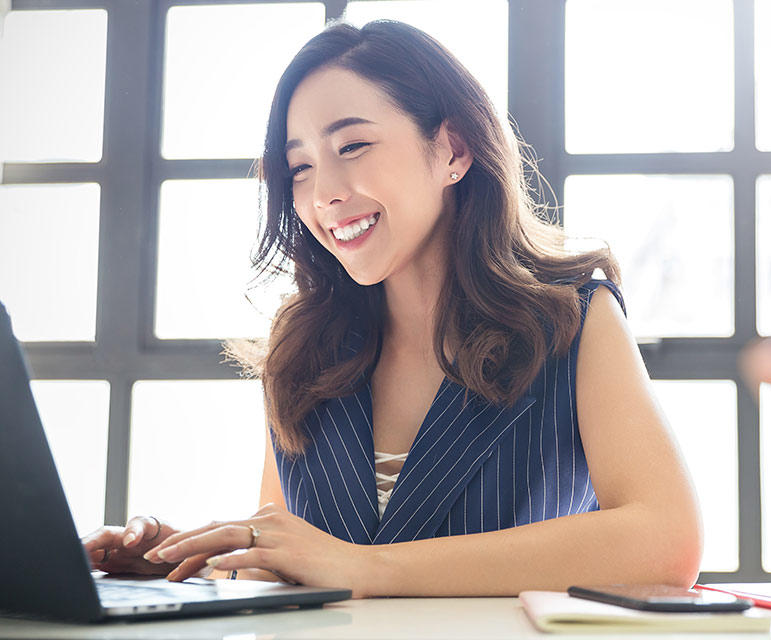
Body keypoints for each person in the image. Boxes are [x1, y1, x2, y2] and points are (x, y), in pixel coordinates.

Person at [82, 20, 701, 598]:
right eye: (299, 167)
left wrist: (367, 568)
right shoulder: (302, 349)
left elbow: (666, 538)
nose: (324, 192)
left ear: (454, 151)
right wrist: (190, 562)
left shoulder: (573, 319)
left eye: (352, 146)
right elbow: (296, 561)